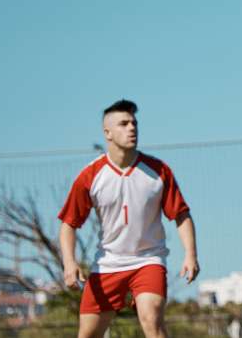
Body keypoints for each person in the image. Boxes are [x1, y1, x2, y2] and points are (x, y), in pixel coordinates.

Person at [57, 99, 200, 337]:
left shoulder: (158, 171)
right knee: (87, 334)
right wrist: (69, 263)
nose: (131, 128)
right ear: (108, 133)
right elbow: (68, 224)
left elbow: (181, 215)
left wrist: (191, 254)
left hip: (148, 260)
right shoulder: (90, 176)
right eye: (123, 124)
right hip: (108, 264)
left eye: (134, 123)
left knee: (151, 318)